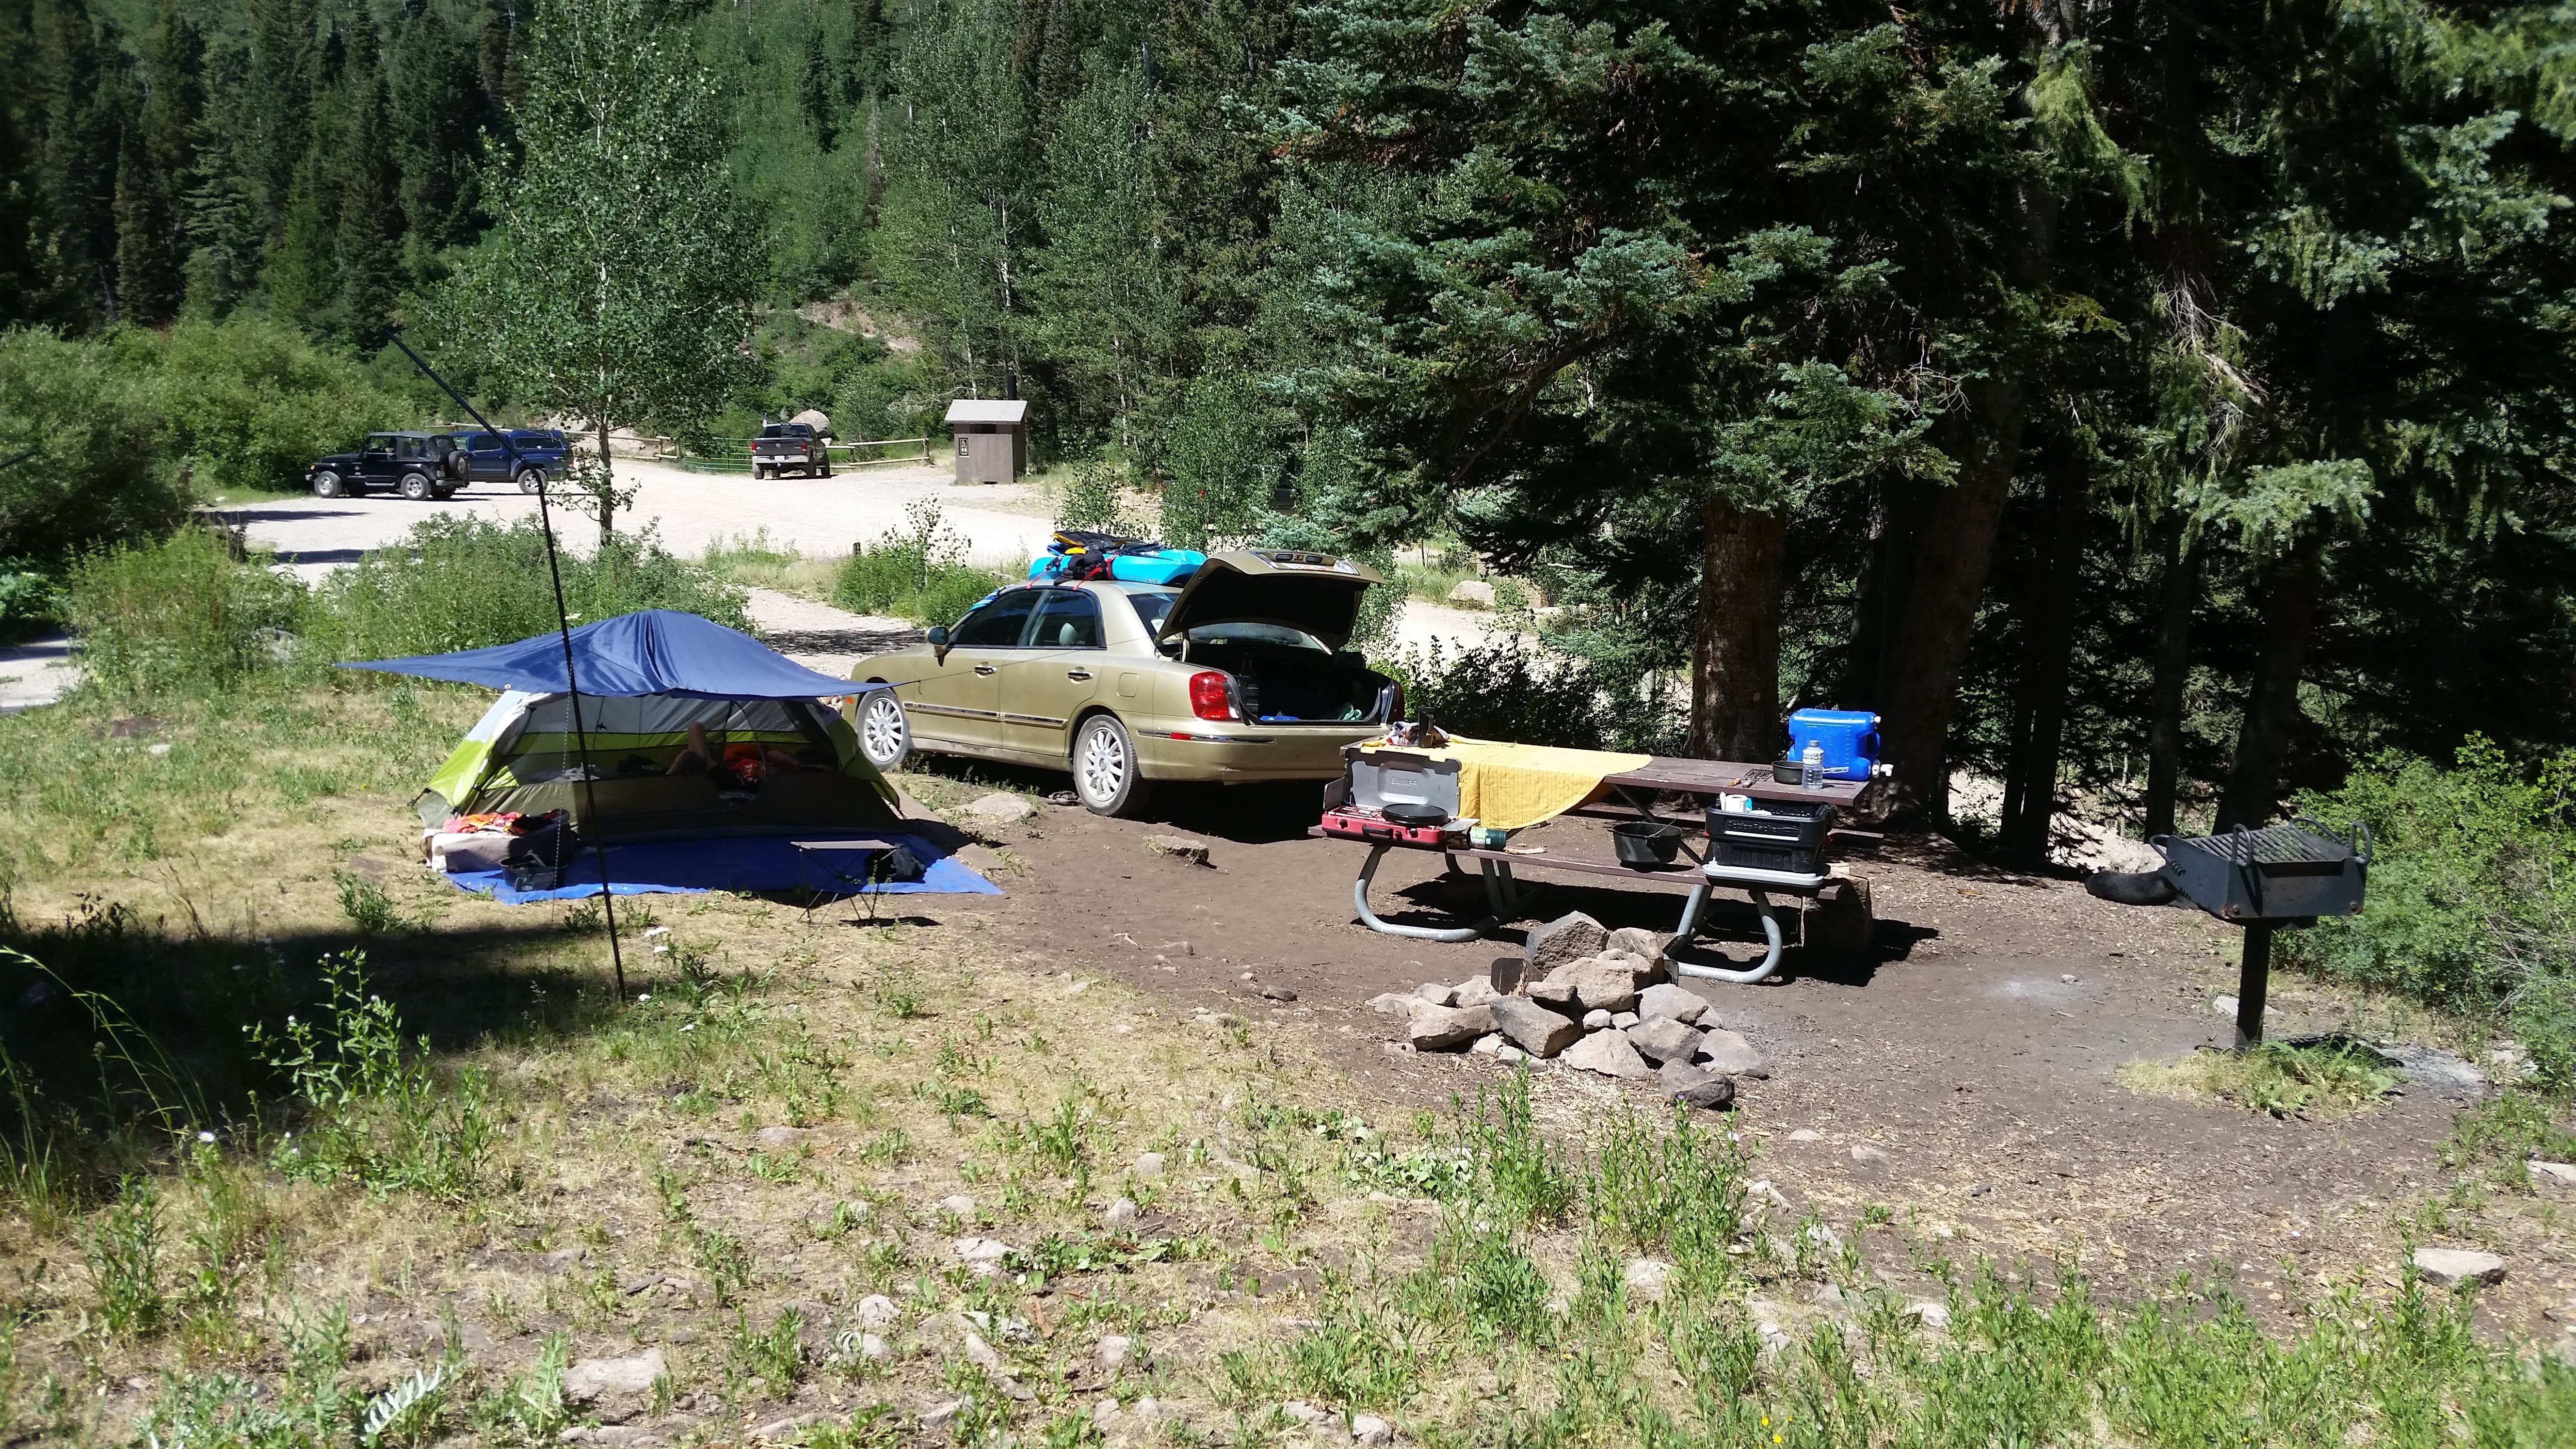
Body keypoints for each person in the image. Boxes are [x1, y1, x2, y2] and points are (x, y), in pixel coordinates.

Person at [666, 720, 807, 785]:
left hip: (720, 771)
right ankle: (668, 778)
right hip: (715, 765)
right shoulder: (754, 752)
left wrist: (795, 765)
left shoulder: (757, 762)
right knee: (688, 751)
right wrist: (795, 764)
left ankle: (667, 779)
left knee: (694, 728)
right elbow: (771, 754)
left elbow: (772, 756)